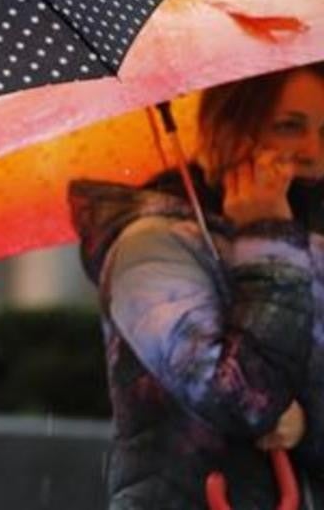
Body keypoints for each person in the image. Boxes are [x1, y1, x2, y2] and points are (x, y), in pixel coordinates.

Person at [70, 64, 324, 508]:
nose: (312, 150)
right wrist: (267, 238)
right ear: (224, 127)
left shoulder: (307, 242)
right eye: (289, 127)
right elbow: (235, 397)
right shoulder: (151, 246)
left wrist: (310, 422)